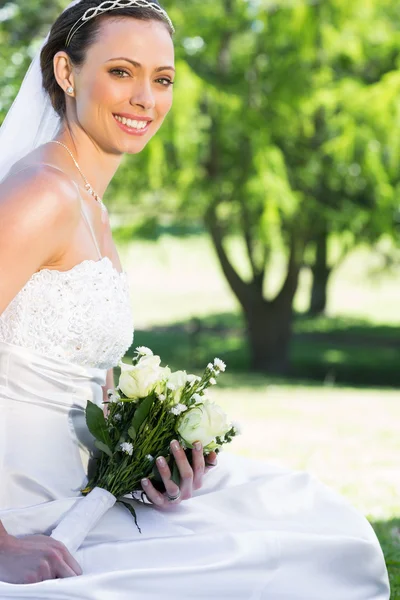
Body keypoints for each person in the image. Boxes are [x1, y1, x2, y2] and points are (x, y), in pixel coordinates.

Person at [0, 1, 390, 597]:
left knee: (321, 529)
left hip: (85, 488)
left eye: (162, 80)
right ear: (66, 73)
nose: (145, 99)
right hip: (25, 503)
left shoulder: (91, 205)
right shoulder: (41, 194)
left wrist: (148, 454)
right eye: (122, 72)